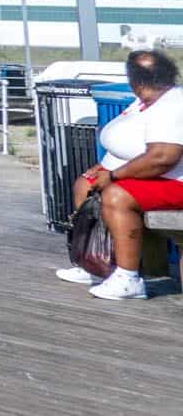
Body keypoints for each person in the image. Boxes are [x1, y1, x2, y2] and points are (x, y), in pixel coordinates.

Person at [56, 50, 183, 300]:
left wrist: (114, 176)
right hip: (156, 177)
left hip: (175, 181)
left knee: (117, 196)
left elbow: (162, 158)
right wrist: (104, 168)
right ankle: (96, 261)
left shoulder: (173, 104)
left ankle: (128, 277)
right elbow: (132, 144)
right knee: (86, 184)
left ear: (135, 80)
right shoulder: (144, 103)